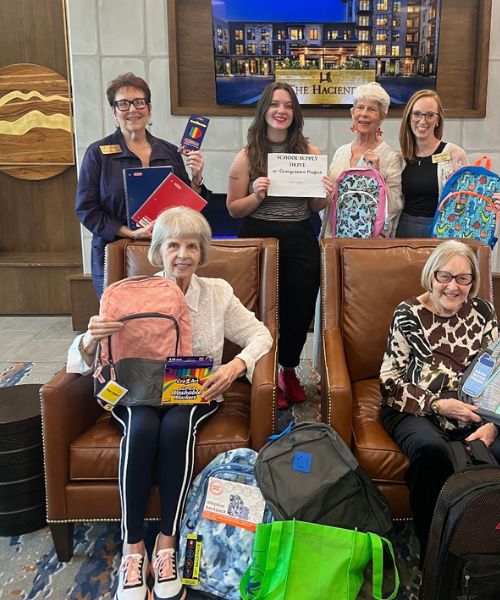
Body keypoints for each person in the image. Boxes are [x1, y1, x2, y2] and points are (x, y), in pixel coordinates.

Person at [66, 207, 272, 600]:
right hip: (136, 389)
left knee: (177, 426)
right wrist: (91, 338)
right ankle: (132, 549)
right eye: (174, 245)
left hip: (192, 389)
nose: (183, 254)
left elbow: (260, 335)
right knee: (142, 426)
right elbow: (81, 359)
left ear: (202, 252)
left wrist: (233, 368)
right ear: (158, 250)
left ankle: (166, 543)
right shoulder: (131, 294)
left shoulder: (217, 293)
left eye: (192, 246)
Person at [378, 240, 500, 564]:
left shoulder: (484, 312)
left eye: (463, 279)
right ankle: (434, 546)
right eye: (445, 276)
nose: (452, 286)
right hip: (416, 408)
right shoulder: (408, 314)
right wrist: (437, 405)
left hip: (473, 411)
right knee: (433, 453)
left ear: (472, 283)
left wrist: (491, 424)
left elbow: (497, 374)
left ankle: (494, 545)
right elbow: (389, 382)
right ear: (431, 275)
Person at [227, 82, 333, 410]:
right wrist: (256, 195)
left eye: (288, 105)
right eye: (275, 104)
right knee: (259, 311)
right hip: (258, 237)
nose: (281, 110)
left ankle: (288, 369)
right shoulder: (246, 157)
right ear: (264, 110)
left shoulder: (310, 154)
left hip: (299, 236)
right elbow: (233, 208)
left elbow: (314, 206)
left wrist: (325, 192)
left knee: (298, 310)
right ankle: (264, 370)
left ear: (295, 113)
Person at [75, 72, 207, 298]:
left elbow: (185, 207)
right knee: (122, 319)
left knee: (166, 314)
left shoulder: (168, 151)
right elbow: (86, 209)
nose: (132, 110)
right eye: (123, 104)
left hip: (166, 252)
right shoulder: (98, 153)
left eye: (139, 102)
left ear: (149, 108)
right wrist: (130, 233)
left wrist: (196, 178)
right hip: (116, 251)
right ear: (114, 111)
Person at [396, 89, 500, 238]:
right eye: (417, 114)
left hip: (443, 232)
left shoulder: (454, 154)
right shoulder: (401, 158)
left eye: (429, 115)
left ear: (438, 119)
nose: (422, 121)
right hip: (404, 232)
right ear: (409, 118)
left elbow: (468, 197)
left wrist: (491, 201)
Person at [321, 81, 403, 237]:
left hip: (370, 243)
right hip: (334, 237)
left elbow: (395, 205)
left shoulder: (390, 157)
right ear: (352, 113)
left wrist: (376, 176)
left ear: (381, 117)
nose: (364, 114)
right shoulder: (341, 152)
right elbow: (328, 200)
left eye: (372, 109)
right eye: (360, 107)